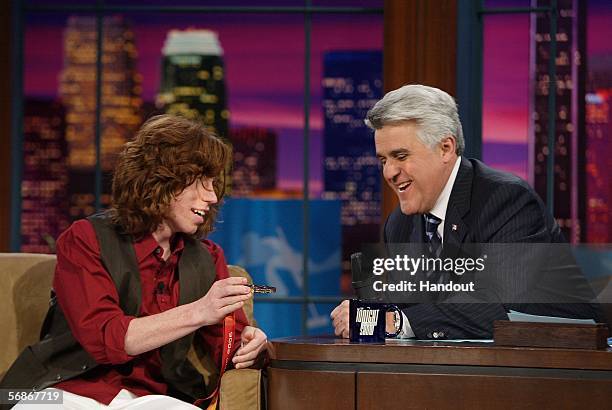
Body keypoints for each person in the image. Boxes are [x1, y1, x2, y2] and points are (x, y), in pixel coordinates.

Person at [1, 115, 268, 409]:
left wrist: (248, 344)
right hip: (63, 389)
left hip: (154, 397)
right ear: (161, 179)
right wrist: (199, 311)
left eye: (214, 184)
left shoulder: (208, 257)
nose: (213, 196)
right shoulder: (85, 239)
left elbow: (225, 343)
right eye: (202, 182)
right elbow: (106, 338)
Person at [331, 84, 604, 340]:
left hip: (561, 366)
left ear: (445, 148)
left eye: (400, 156)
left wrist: (398, 322)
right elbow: (409, 306)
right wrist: (369, 315)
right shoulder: (400, 224)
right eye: (383, 160)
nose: (389, 172)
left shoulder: (505, 199)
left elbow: (498, 303)